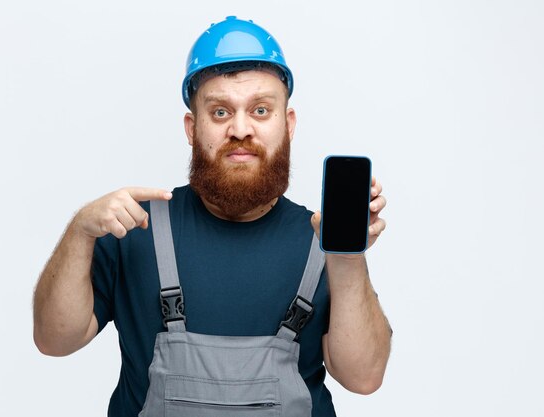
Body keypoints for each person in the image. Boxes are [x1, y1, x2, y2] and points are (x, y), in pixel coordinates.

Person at [33, 16, 391, 417]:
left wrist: (348, 259)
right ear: (192, 127)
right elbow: (54, 340)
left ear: (288, 124)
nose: (241, 129)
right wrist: (80, 231)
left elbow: (364, 377)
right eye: (220, 112)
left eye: (260, 110)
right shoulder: (134, 228)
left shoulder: (322, 240)